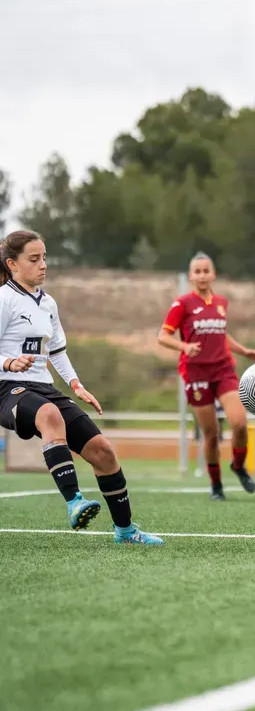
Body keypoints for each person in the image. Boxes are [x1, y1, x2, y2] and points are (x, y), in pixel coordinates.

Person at [0, 230, 162, 544]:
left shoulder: (48, 304)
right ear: (13, 264)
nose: (43, 265)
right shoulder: (3, 299)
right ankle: (75, 502)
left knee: (102, 451)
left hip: (42, 388)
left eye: (44, 258)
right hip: (7, 389)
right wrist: (8, 363)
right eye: (34, 260)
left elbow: (57, 351)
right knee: (50, 416)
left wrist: (76, 385)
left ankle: (126, 531)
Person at [158, 252, 255, 501]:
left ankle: (238, 465)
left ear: (213, 274)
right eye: (197, 271)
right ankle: (216, 485)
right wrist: (184, 347)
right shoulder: (182, 304)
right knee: (211, 433)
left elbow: (220, 334)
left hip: (223, 368)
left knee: (239, 422)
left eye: (206, 271)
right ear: (191, 275)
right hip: (195, 372)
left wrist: (244, 351)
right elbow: (162, 336)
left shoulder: (221, 302)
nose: (202, 275)